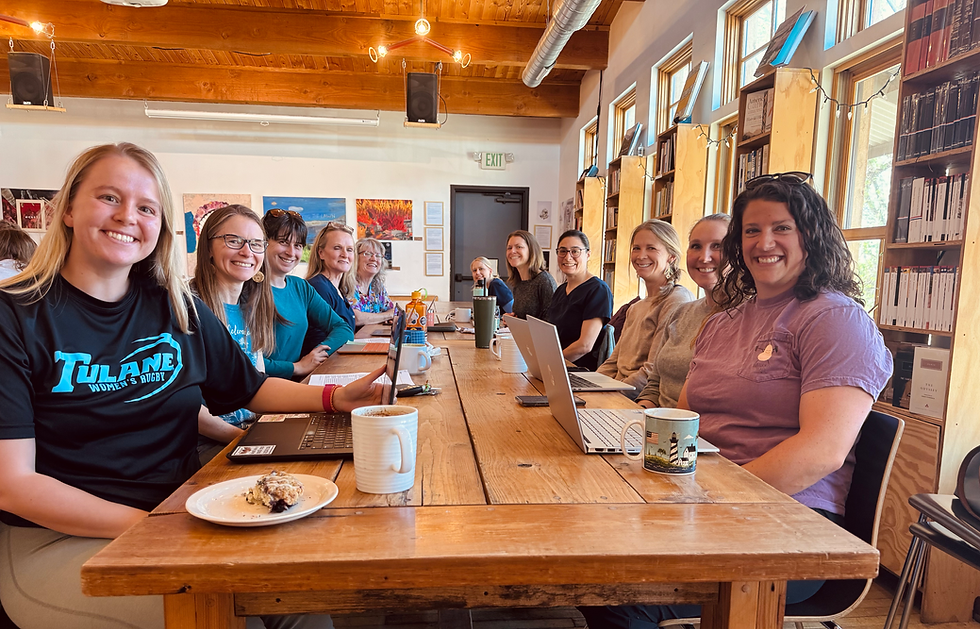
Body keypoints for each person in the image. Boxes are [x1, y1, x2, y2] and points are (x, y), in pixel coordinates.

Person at [0, 143, 384, 629]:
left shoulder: (176, 305)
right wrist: (163, 525)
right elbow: (14, 486)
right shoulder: (14, 314)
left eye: (146, 207)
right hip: (62, 538)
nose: (127, 217)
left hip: (184, 507)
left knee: (298, 598)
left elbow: (250, 388)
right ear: (68, 209)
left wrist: (333, 398)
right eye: (108, 198)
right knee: (224, 616)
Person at [579, 173, 893, 628]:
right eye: (751, 230)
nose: (764, 242)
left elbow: (821, 451)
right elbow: (685, 419)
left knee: (619, 593)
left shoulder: (835, 319)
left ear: (813, 235)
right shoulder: (723, 322)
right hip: (703, 498)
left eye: (782, 228)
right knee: (591, 549)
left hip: (788, 524)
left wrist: (709, 502)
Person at [636, 214, 730, 408]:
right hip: (655, 424)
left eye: (717, 246)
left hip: (690, 433)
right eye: (696, 246)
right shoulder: (681, 312)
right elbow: (654, 385)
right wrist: (636, 417)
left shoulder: (745, 318)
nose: (704, 257)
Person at [596, 220, 692, 393]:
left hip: (637, 398)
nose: (641, 256)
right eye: (636, 248)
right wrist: (590, 388)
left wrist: (610, 395)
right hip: (617, 392)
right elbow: (612, 363)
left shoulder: (676, 300)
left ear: (672, 256)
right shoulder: (635, 307)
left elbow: (652, 370)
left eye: (651, 248)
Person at [260, 210, 353, 373]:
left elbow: (343, 329)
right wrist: (296, 367)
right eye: (283, 242)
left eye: (297, 245)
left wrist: (314, 357)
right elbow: (245, 361)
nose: (291, 252)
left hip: (296, 383)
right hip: (262, 388)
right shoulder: (247, 289)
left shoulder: (301, 287)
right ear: (264, 243)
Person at [546, 230, 613, 371]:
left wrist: (550, 363)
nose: (568, 257)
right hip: (557, 366)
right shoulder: (560, 290)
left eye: (575, 251)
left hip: (579, 371)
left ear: (587, 255)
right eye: (562, 251)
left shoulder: (598, 290)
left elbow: (585, 346)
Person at [306, 221, 357, 333]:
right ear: (321, 253)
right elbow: (320, 342)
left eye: (349, 250)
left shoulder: (338, 289)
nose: (345, 255)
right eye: (337, 248)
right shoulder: (318, 288)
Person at [505, 229, 556, 320]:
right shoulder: (519, 283)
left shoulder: (544, 281)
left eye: (519, 247)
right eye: (509, 248)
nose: (512, 251)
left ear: (531, 251)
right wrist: (512, 319)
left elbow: (552, 321)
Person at [352, 237, 396, 326]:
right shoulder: (348, 285)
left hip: (374, 337)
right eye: (367, 254)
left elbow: (394, 310)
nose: (374, 259)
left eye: (378, 255)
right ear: (356, 258)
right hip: (353, 338)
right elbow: (356, 318)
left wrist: (385, 317)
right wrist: (386, 316)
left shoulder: (377, 287)